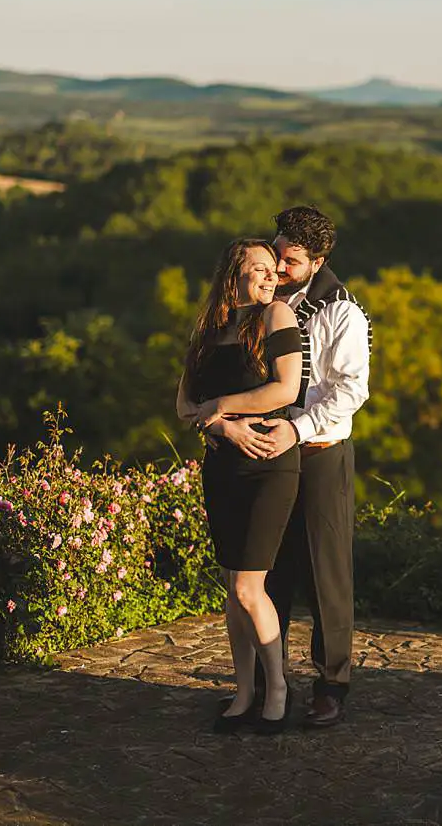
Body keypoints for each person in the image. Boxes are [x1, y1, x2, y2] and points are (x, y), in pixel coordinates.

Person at [227, 206, 371, 729]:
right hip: (269, 450)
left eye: (292, 260)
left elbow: (352, 392)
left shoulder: (343, 313)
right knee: (270, 567)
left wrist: (298, 428)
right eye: (278, 253)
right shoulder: (264, 303)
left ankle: (333, 683)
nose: (280, 267)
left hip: (320, 450)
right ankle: (271, 679)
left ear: (319, 260)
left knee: (325, 570)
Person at [175, 238, 303, 735]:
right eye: (260, 269)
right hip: (222, 462)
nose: (272, 278)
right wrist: (222, 425)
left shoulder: (277, 319)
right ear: (234, 275)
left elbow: (285, 390)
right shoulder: (207, 330)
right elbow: (186, 406)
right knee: (233, 585)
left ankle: (279, 689)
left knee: (251, 586)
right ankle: (244, 691)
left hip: (270, 462)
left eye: (275, 270)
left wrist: (221, 405)